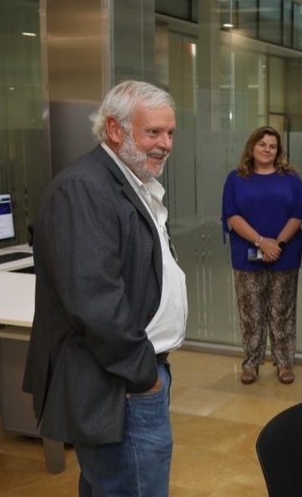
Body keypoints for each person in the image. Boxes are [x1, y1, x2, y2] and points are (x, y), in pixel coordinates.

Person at [23, 80, 188, 496]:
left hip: (133, 375)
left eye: (170, 133)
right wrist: (144, 376)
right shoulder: (84, 187)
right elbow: (94, 302)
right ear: (115, 130)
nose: (165, 143)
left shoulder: (131, 181)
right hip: (120, 383)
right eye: (153, 132)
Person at [221, 126, 302, 385]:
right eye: (262, 144)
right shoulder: (236, 178)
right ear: (252, 147)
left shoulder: (291, 178)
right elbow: (231, 215)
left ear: (278, 150)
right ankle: (251, 363)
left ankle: (284, 363)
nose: (267, 149)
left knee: (282, 312)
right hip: (246, 255)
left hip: (285, 252)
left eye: (272, 145)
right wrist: (260, 242)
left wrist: (276, 244)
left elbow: (298, 214)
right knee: (251, 312)